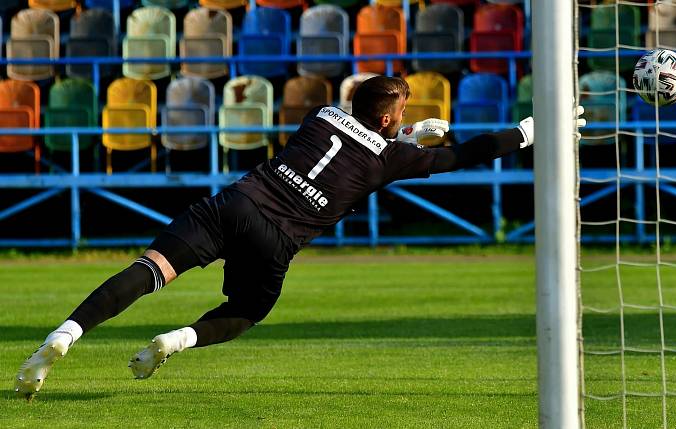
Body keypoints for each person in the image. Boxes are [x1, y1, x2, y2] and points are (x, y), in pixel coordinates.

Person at [14, 76, 586, 399]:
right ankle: (174, 342)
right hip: (275, 238)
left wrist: (407, 129)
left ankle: (61, 337)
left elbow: (352, 143)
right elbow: (462, 155)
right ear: (388, 121)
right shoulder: (387, 159)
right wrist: (530, 130)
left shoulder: (321, 116)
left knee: (150, 269)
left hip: (234, 203)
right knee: (248, 308)